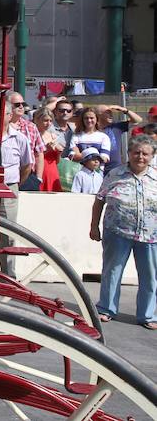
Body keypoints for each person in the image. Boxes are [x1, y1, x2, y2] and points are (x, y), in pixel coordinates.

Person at [89, 134, 156, 330]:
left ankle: (148, 315)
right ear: (128, 154)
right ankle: (106, 309)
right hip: (117, 232)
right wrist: (94, 226)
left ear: (152, 156)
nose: (140, 157)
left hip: (150, 236)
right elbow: (99, 200)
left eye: (145, 153)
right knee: (112, 271)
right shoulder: (115, 174)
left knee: (150, 276)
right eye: (136, 152)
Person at [0, 106, 32, 278]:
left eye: (1, 112)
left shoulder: (20, 138)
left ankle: (7, 276)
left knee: (9, 233)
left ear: (10, 115)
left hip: (9, 188)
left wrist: (14, 185)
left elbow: (27, 166)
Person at [7, 91, 45, 190]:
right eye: (17, 104)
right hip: (7, 177)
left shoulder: (31, 126)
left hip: (28, 177)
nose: (21, 107)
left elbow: (39, 153)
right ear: (7, 106)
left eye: (23, 104)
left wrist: (39, 178)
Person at [97, 104, 142, 175]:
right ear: (98, 115)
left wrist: (124, 110)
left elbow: (138, 120)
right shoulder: (92, 129)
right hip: (97, 169)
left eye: (111, 113)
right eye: (107, 113)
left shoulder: (116, 127)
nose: (111, 115)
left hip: (115, 170)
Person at [33, 107, 62, 191]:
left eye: (50, 121)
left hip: (52, 171)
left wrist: (59, 153)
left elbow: (57, 161)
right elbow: (33, 156)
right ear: (37, 120)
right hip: (39, 170)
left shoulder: (53, 136)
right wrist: (47, 149)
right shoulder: (33, 134)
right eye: (45, 120)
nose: (48, 123)